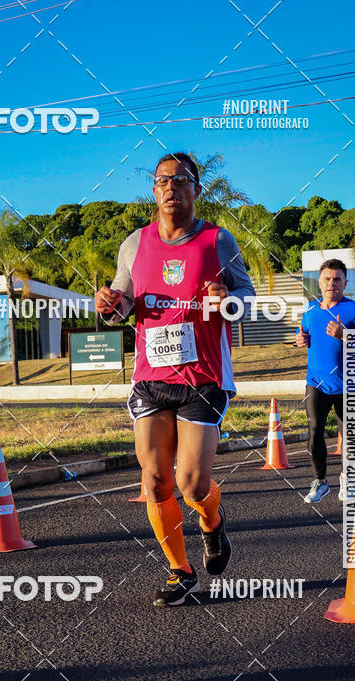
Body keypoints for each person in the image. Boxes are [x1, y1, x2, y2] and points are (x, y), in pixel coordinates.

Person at [95, 151, 255, 606]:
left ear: (195, 189)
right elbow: (123, 303)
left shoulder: (217, 241)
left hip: (204, 377)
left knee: (191, 485)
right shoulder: (134, 244)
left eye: (180, 180)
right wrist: (112, 306)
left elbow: (248, 295)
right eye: (162, 180)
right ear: (154, 190)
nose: (170, 187)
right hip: (150, 377)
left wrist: (228, 299)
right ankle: (179, 571)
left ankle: (212, 521)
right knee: (154, 482)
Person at [295, 258, 355, 503]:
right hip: (316, 382)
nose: (332, 283)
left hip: (348, 384)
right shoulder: (309, 310)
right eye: (327, 279)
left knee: (349, 436)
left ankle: (348, 480)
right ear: (319, 282)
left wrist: (345, 334)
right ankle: (320, 482)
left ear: (345, 282)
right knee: (315, 431)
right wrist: (300, 340)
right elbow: (303, 333)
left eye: (337, 279)